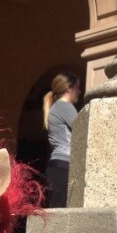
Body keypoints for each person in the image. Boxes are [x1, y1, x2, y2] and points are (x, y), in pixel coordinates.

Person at [42, 71, 81, 207]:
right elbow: (83, 130)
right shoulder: (65, 107)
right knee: (60, 211)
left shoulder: (56, 107)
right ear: (69, 89)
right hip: (64, 165)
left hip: (58, 165)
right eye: (77, 88)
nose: (79, 92)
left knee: (55, 208)